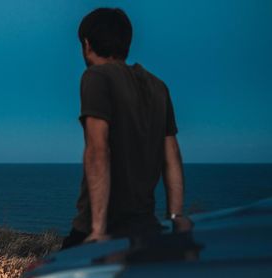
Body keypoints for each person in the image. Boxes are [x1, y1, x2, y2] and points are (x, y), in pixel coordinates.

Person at [62, 8, 193, 249]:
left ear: (87, 44)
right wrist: (176, 217)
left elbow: (98, 149)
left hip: (99, 227)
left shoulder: (96, 77)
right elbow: (172, 156)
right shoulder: (158, 86)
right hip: (143, 225)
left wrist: (98, 230)